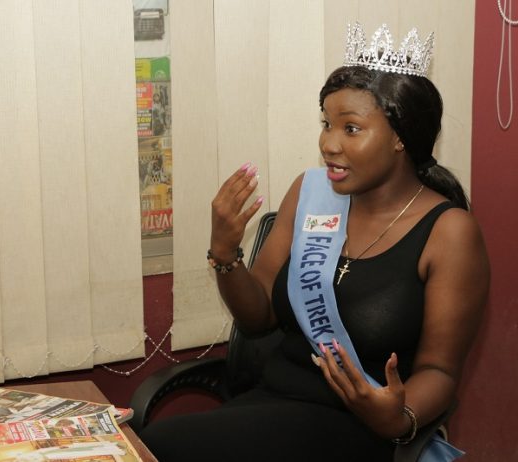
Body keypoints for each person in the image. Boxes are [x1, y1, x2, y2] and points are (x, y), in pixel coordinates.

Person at [140, 22, 489, 461]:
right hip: (271, 406)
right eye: (326, 124)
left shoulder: (449, 231)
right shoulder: (309, 194)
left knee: (161, 446)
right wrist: (226, 253)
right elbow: (258, 318)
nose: (328, 144)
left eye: (351, 128)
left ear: (401, 136)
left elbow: (440, 370)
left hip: (359, 427)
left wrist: (398, 417)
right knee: (146, 446)